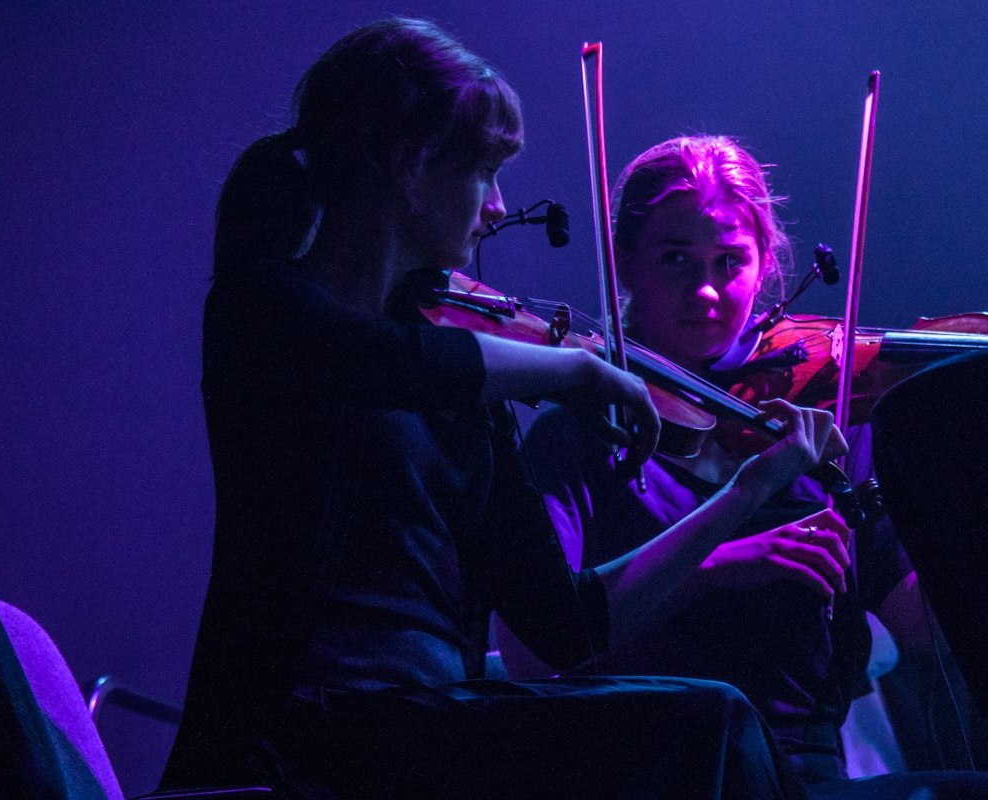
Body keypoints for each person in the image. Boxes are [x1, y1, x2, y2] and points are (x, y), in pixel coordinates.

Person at [159, 20, 852, 800]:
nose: (497, 208)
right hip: (297, 741)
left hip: (422, 732)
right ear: (409, 167)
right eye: (484, 171)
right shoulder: (265, 312)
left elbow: (563, 625)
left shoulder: (471, 396)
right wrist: (570, 373)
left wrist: (744, 496)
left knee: (713, 725)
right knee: (704, 726)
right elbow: (387, 363)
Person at [501, 135, 988, 799]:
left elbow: (920, 624)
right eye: (676, 259)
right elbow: (530, 656)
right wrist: (722, 564)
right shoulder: (580, 435)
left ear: (765, 268)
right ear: (626, 264)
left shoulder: (822, 431)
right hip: (649, 771)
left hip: (804, 776)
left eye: (731, 261)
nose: (706, 289)